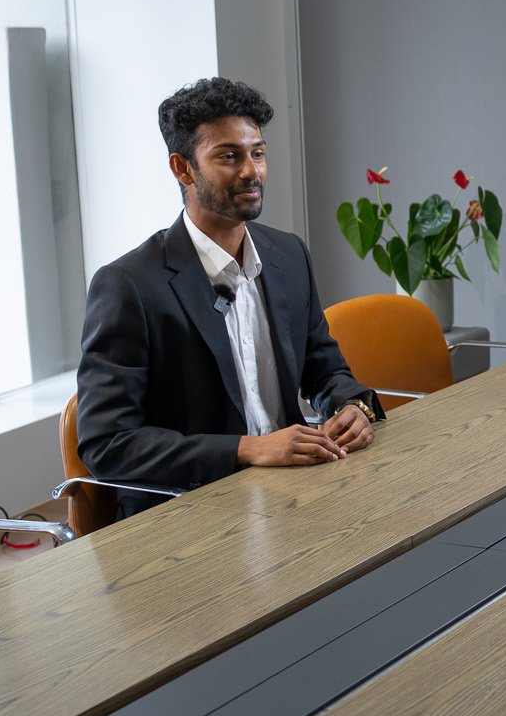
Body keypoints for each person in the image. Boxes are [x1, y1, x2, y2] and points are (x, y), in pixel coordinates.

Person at [76, 77, 379, 513]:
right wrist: (248, 449)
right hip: (190, 510)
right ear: (183, 169)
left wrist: (351, 405)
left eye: (258, 153)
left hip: (294, 494)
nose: (251, 171)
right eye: (229, 157)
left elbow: (325, 369)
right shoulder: (128, 285)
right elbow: (108, 445)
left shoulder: (288, 255)